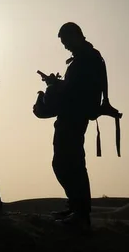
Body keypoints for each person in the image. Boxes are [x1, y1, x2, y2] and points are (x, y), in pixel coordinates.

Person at [48, 22, 107, 230]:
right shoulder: (85, 57)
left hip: (75, 115)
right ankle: (76, 208)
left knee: (70, 164)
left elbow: (78, 90)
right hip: (71, 114)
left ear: (75, 36)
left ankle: (81, 214)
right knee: (66, 163)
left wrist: (56, 86)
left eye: (65, 41)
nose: (65, 46)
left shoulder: (87, 58)